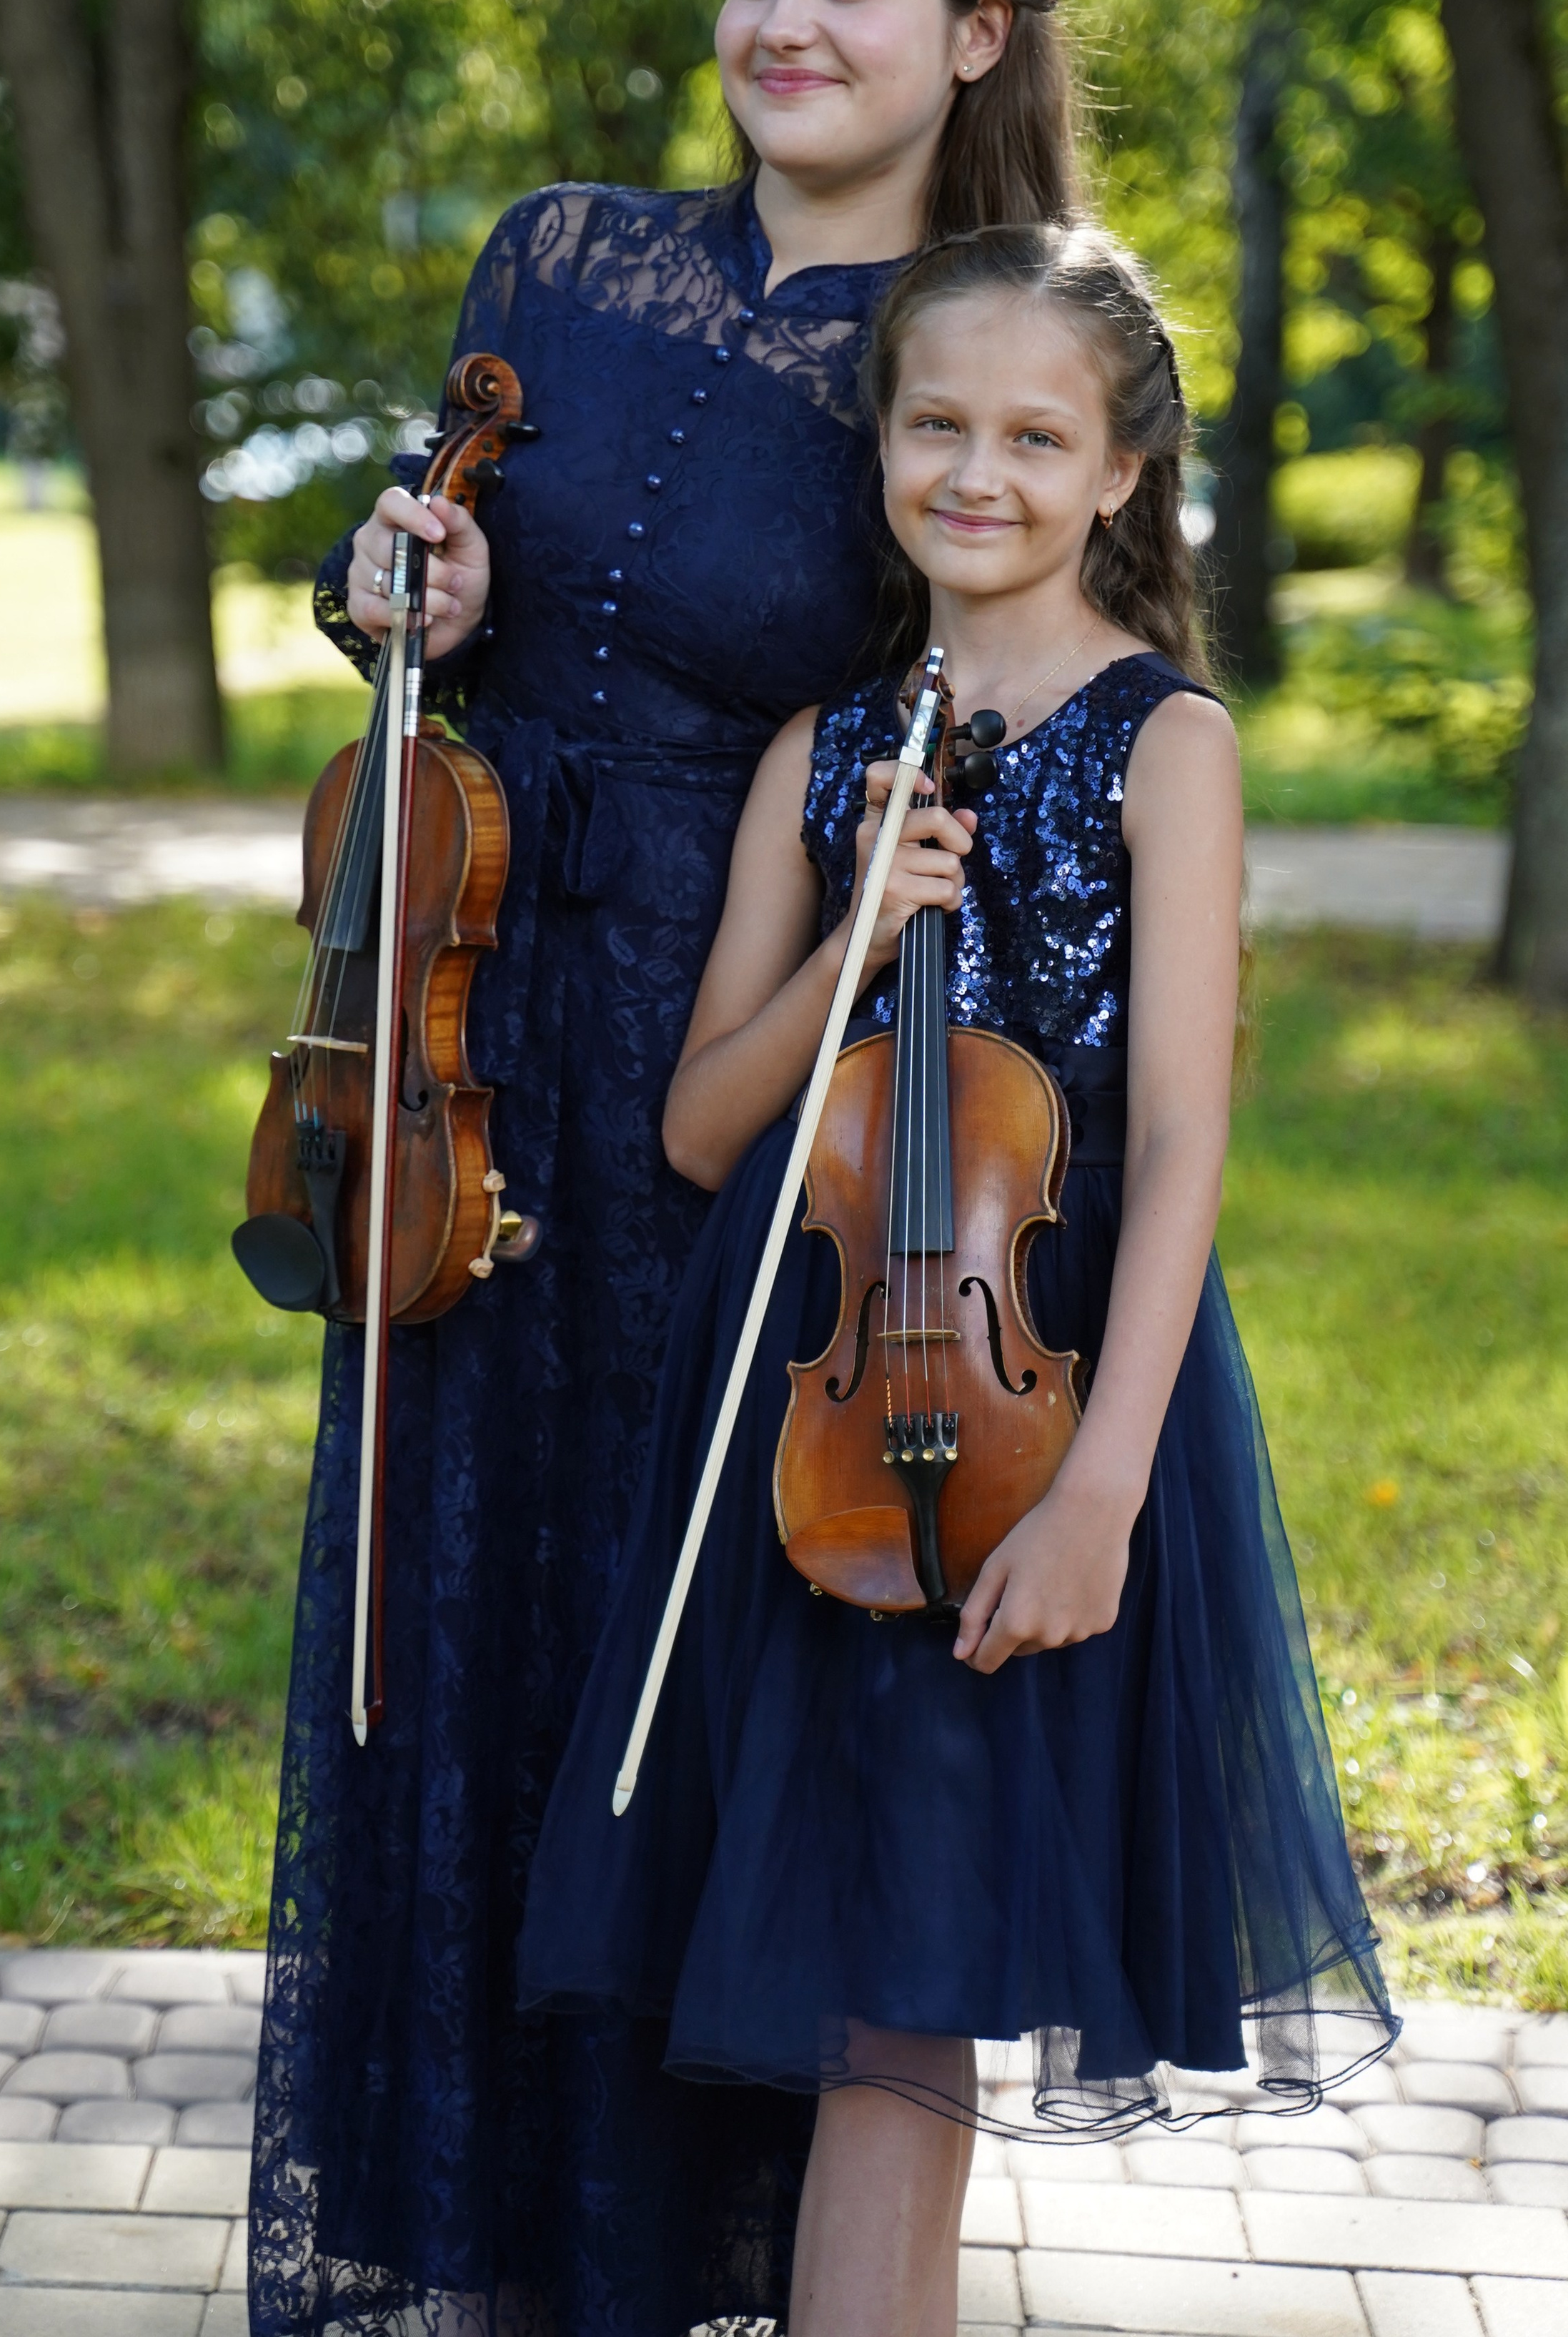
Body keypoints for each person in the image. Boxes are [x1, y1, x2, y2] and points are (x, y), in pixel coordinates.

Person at [250, 0, 1086, 2336]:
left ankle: (658, 2272)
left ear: (971, 30)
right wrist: (398, 573)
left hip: (742, 1082)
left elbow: (1045, 711)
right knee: (455, 1656)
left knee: (680, 1681)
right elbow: (417, 572)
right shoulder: (565, 259)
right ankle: (481, 2261)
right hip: (472, 1045)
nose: (782, 24)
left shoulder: (977, 346)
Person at [518, 222, 1399, 2337]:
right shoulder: (817, 752)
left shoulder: (1161, 738)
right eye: (938, 424)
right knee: (872, 2003)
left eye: (1034, 432)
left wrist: (1101, 1482)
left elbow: (1180, 1130)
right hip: (812, 1419)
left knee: (904, 1999)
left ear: (1120, 471)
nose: (976, 469)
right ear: (885, 448)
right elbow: (701, 1123)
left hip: (1051, 1389)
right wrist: (848, 936)